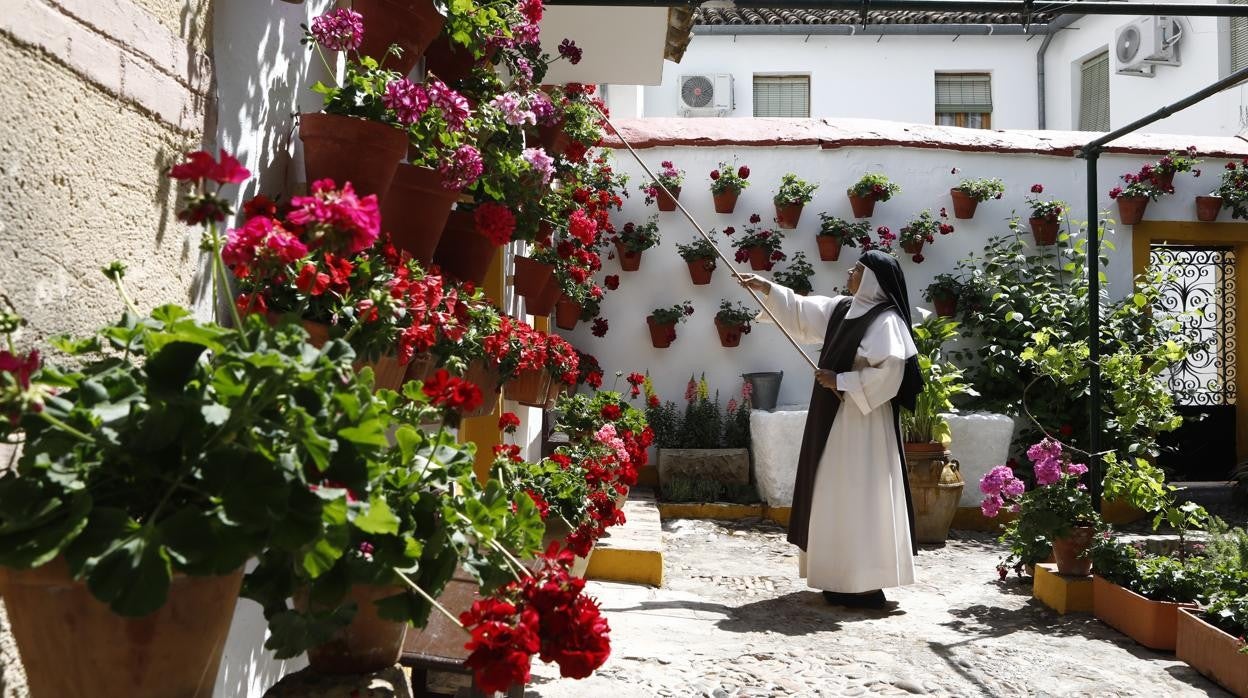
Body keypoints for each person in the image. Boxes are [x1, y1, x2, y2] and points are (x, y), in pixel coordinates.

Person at [738, 250, 922, 609]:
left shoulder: (886, 322)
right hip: (832, 422)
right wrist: (767, 288)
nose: (849, 272)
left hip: (865, 426)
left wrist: (842, 380)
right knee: (832, 493)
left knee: (861, 495)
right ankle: (837, 578)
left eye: (857, 269)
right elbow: (803, 310)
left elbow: (891, 375)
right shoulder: (842, 309)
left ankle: (867, 584)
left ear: (871, 278)